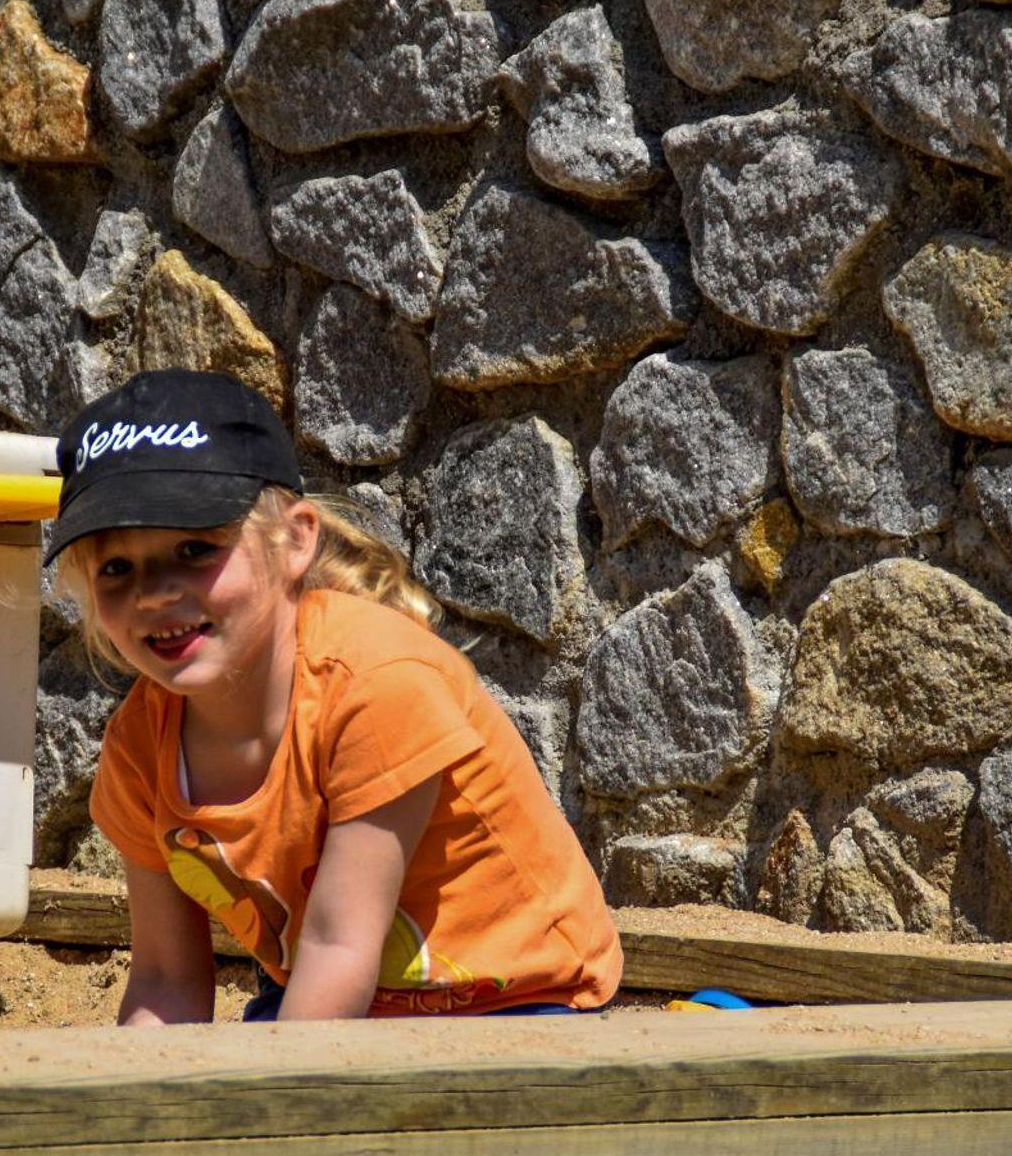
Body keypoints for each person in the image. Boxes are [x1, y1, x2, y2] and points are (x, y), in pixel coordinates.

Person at [47, 369, 622, 1024]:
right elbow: (164, 979)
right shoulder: (139, 747)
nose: (153, 593)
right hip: (331, 1001)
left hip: (520, 1000)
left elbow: (338, 947)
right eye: (116, 567)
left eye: (195, 548)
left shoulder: (376, 683)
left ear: (296, 540)